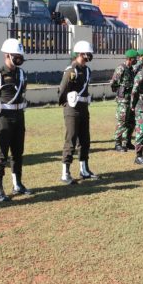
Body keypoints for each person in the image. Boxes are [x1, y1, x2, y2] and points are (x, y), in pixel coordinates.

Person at [0, 38, 31, 202]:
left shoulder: (21, 74)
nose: (19, 58)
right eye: (16, 55)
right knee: (1, 154)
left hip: (19, 117)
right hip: (3, 118)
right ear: (7, 55)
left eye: (20, 55)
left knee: (18, 152)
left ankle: (17, 183)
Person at [58, 40, 97, 184]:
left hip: (83, 107)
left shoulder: (86, 70)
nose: (89, 56)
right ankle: (65, 172)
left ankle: (84, 169)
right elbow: (62, 89)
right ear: (81, 53)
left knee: (85, 139)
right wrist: (65, 103)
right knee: (71, 139)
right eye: (88, 53)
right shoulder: (71, 70)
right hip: (72, 108)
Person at [110, 49, 138, 152]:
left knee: (131, 122)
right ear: (129, 59)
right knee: (122, 121)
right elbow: (114, 83)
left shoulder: (131, 70)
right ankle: (117, 143)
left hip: (131, 100)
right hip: (123, 100)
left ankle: (127, 142)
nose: (136, 60)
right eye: (135, 59)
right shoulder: (121, 68)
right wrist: (120, 92)